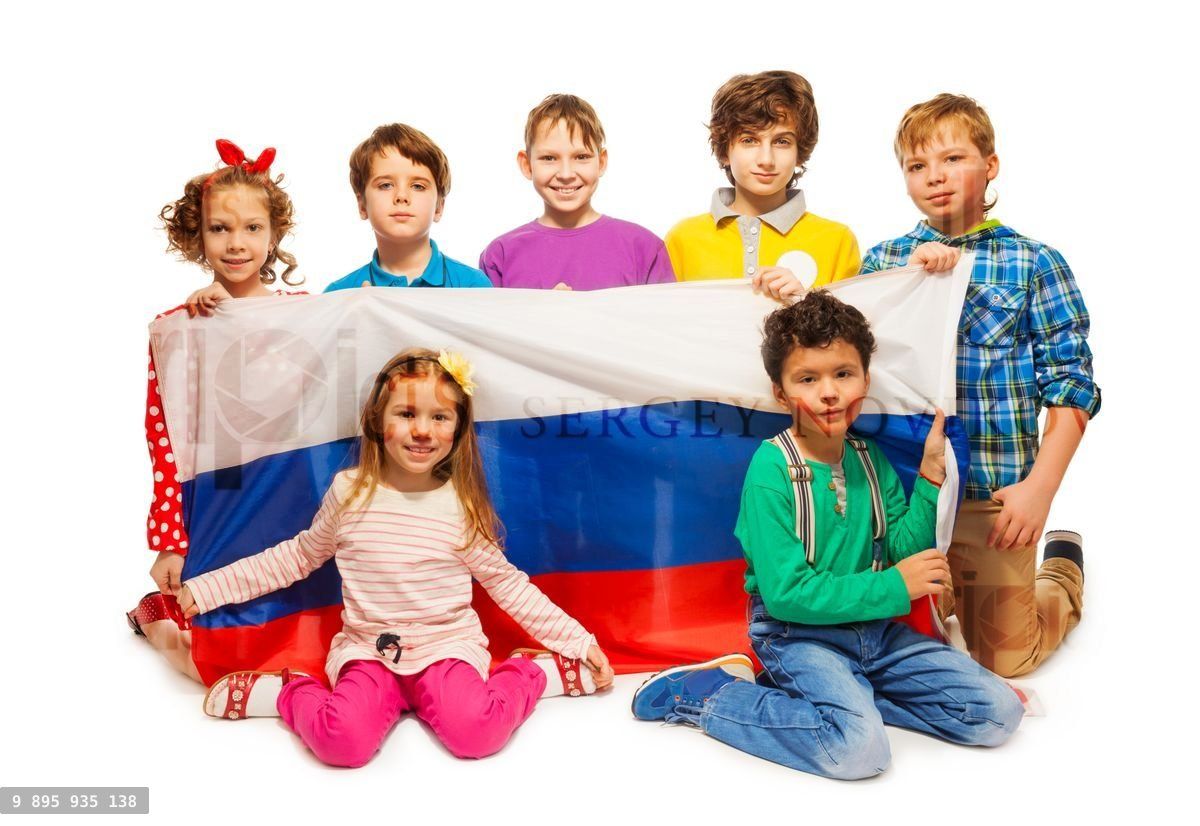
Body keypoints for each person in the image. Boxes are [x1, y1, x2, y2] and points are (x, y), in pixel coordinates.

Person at [631, 292, 1023, 779]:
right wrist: (896, 587)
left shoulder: (868, 457)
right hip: (798, 634)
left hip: (875, 632)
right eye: (807, 379)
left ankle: (853, 695)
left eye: (843, 374)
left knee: (998, 714)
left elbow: (899, 550)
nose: (829, 392)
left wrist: (928, 480)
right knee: (858, 752)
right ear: (781, 393)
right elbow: (787, 594)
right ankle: (709, 696)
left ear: (865, 379)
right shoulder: (771, 470)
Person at [177, 349, 614, 767]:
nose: (422, 431)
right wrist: (207, 589)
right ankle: (284, 693)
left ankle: (530, 673)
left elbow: (509, 585)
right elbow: (298, 556)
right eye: (406, 415)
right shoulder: (349, 492)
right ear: (375, 422)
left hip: (446, 649)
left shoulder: (461, 506)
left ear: (458, 430)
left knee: (478, 735)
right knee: (340, 745)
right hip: (368, 651)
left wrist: (578, 641)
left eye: (439, 417)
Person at [860, 93, 1097, 677]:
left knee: (1004, 659)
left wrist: (1038, 490)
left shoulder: (1034, 263)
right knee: (907, 648)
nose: (934, 178)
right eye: (917, 167)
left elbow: (1071, 386)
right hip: (904, 495)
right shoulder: (883, 261)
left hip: (991, 496)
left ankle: (1062, 572)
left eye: (953, 159)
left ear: (991, 165)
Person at [127, 139, 305, 681]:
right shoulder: (180, 328)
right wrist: (170, 540)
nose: (236, 243)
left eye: (252, 228)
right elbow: (166, 440)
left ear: (274, 235)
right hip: (220, 502)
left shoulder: (306, 313)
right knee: (210, 654)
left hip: (288, 501)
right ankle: (156, 615)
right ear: (197, 236)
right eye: (219, 228)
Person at [664, 70, 858, 301]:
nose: (766, 159)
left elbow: (854, 334)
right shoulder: (682, 239)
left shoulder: (837, 241)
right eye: (749, 140)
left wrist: (805, 302)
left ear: (800, 152)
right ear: (725, 150)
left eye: (782, 142)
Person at [479, 93, 674, 290]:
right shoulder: (500, 255)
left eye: (581, 157)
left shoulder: (644, 248)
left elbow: (664, 319)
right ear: (527, 165)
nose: (566, 174)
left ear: (602, 162)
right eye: (549, 158)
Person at [323, 124, 491, 292]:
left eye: (418, 186)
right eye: (385, 185)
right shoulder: (338, 294)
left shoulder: (473, 285)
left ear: (439, 206)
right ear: (362, 205)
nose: (401, 196)